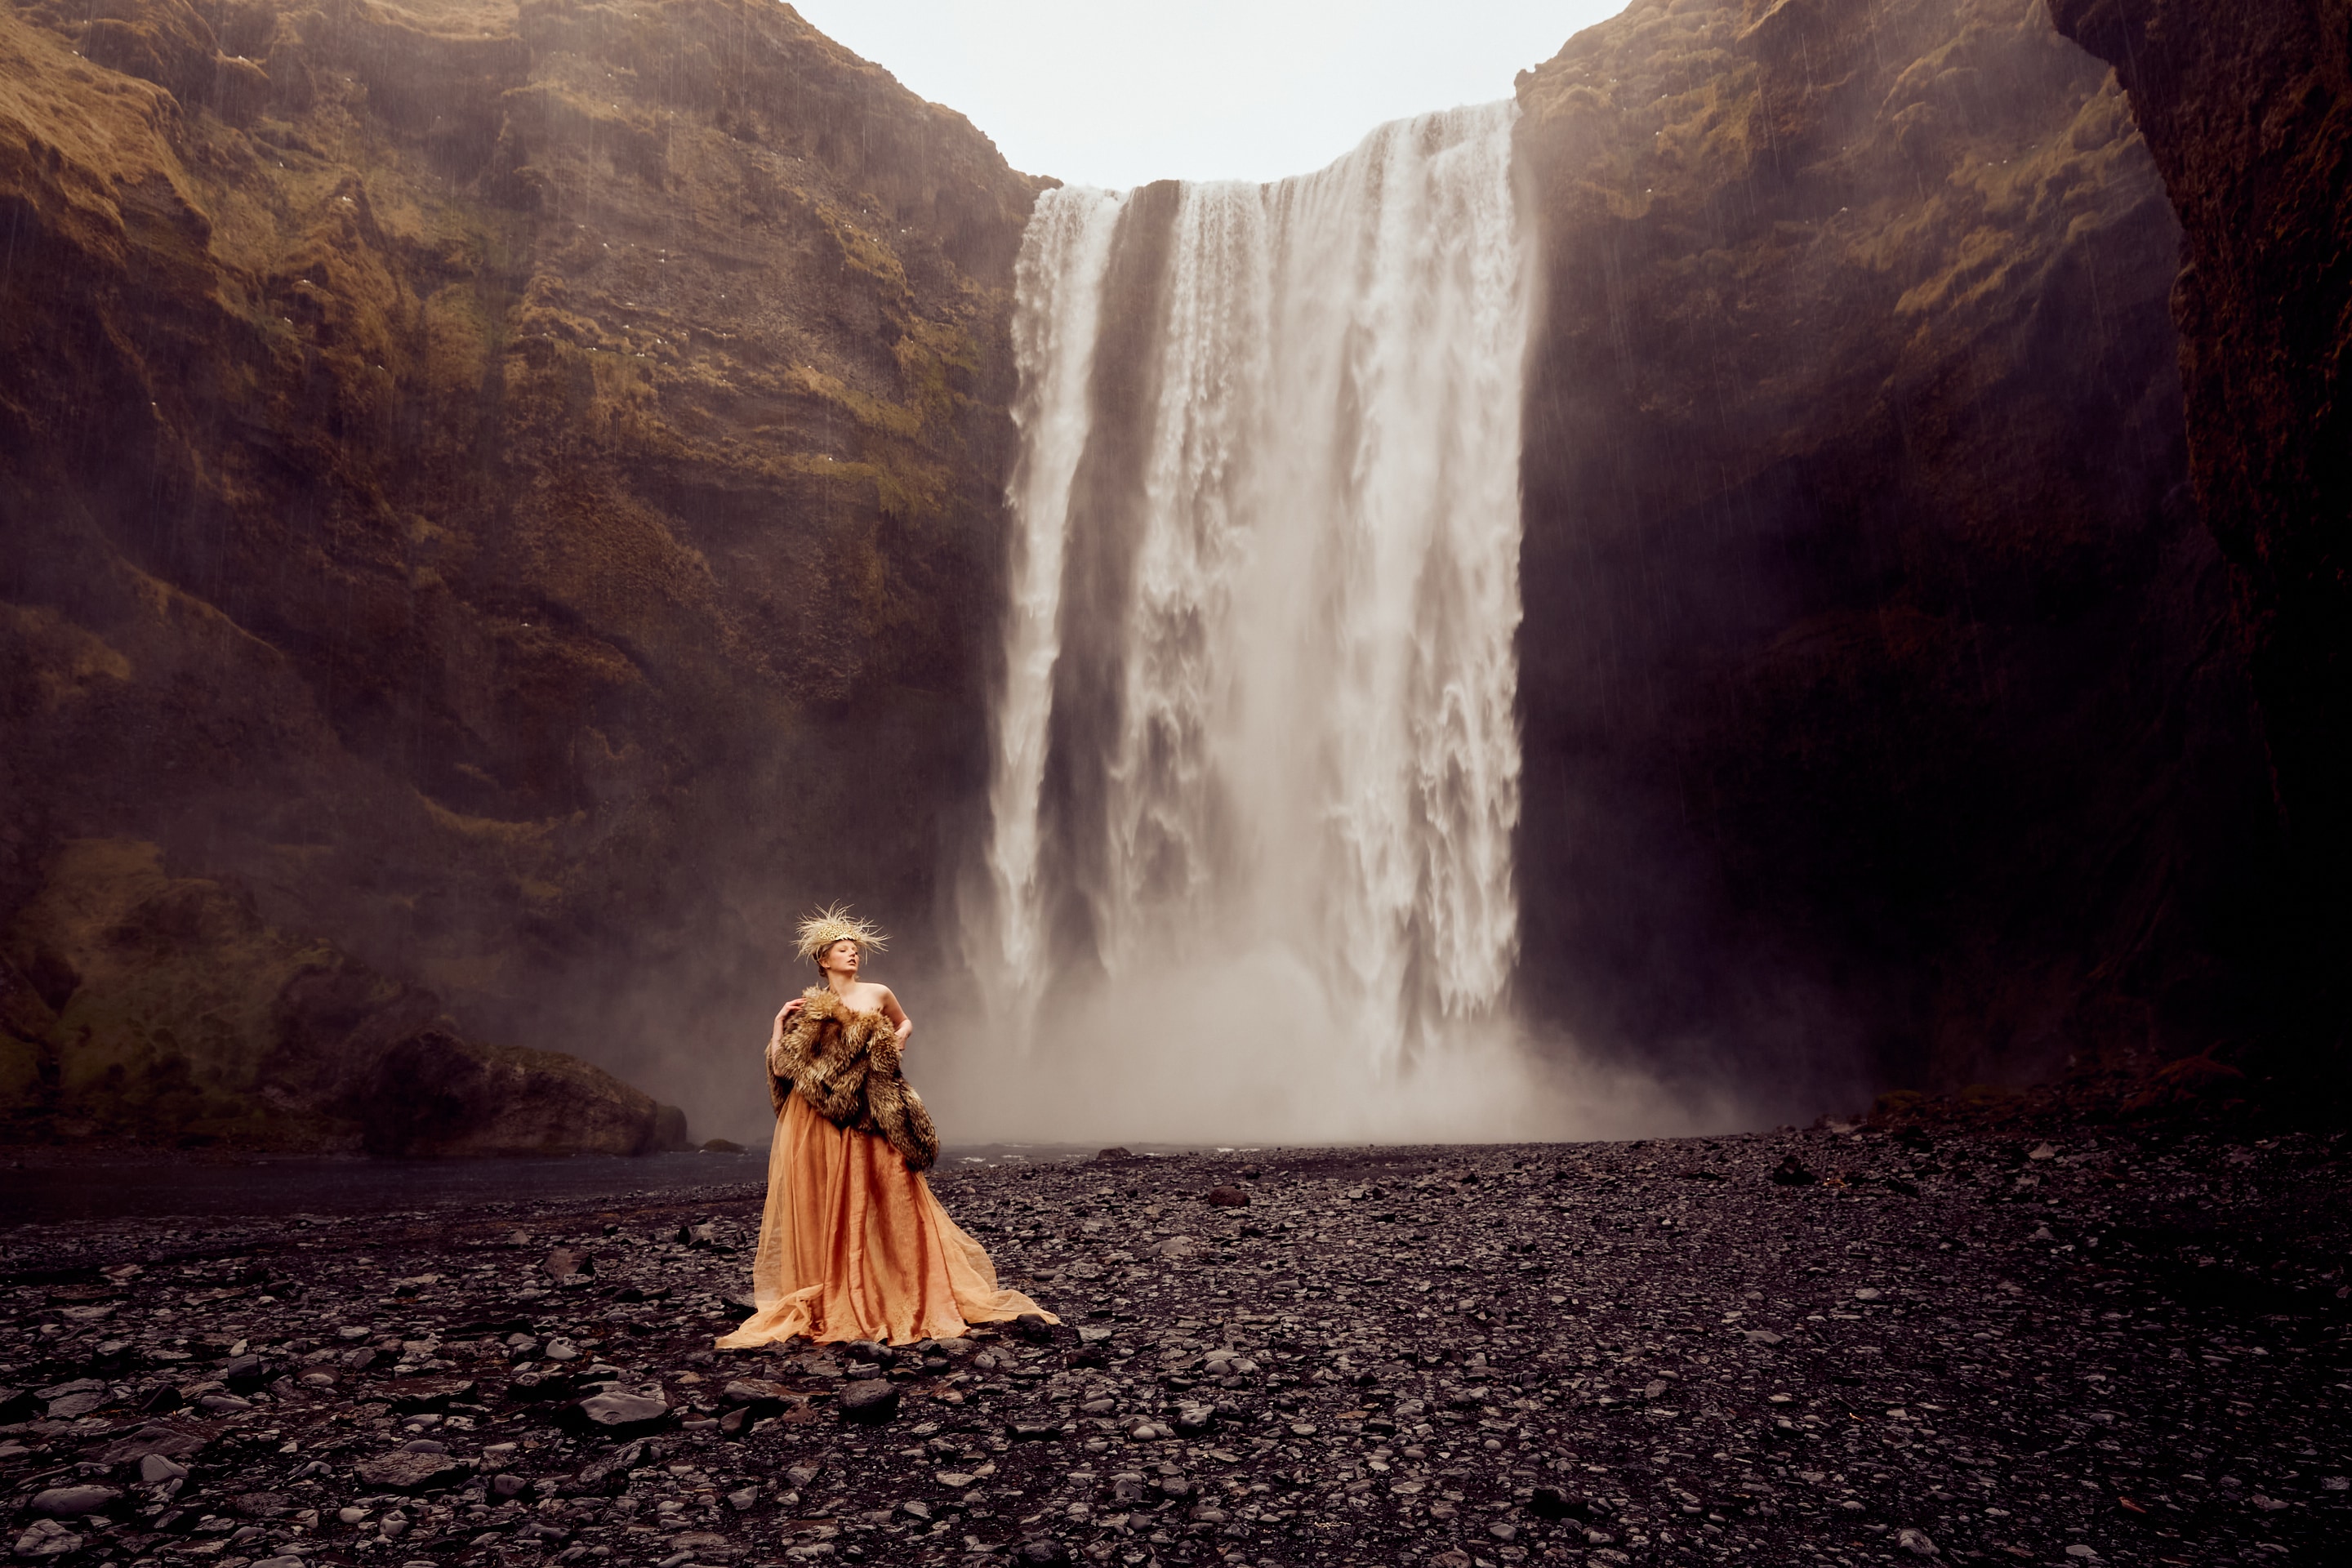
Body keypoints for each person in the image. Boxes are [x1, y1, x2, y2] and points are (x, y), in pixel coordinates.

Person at [715, 905, 1054, 1348]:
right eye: (842, 949)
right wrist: (778, 1024)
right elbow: (784, 1066)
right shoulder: (808, 1009)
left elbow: (904, 1020)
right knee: (827, 1197)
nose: (852, 954)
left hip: (868, 1110)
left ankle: (892, 1282)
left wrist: (900, 1038)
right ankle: (839, 1281)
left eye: (855, 948)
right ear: (823, 959)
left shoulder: (878, 992)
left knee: (890, 1187)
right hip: (816, 1115)